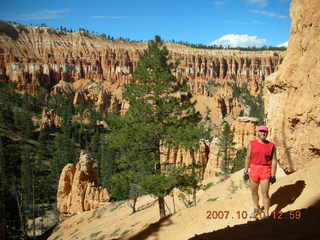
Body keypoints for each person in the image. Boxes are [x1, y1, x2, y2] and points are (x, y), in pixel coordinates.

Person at [243, 125, 277, 218]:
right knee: (254, 192)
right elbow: (248, 157)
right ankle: (256, 208)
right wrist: (245, 171)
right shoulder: (252, 144)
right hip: (254, 169)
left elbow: (274, 160)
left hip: (265, 170)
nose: (263, 133)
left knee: (265, 193)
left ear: (267, 133)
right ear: (257, 133)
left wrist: (273, 175)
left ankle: (266, 214)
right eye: (261, 131)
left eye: (265, 131)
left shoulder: (271, 146)